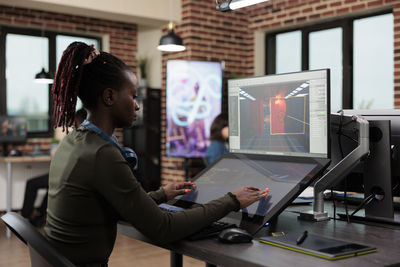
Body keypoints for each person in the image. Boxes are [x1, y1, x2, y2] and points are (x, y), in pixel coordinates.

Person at [45, 42, 268, 266]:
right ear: (109, 97)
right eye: (133, 96)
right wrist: (231, 200)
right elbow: (164, 228)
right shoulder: (102, 153)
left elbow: (122, 206)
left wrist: (162, 194)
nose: (137, 106)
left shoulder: (75, 141)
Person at [21, 108, 87, 227]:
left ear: (78, 121)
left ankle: (26, 218)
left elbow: (57, 154)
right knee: (49, 186)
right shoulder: (81, 135)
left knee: (32, 184)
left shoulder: (77, 136)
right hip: (63, 174)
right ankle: (39, 217)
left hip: (65, 176)